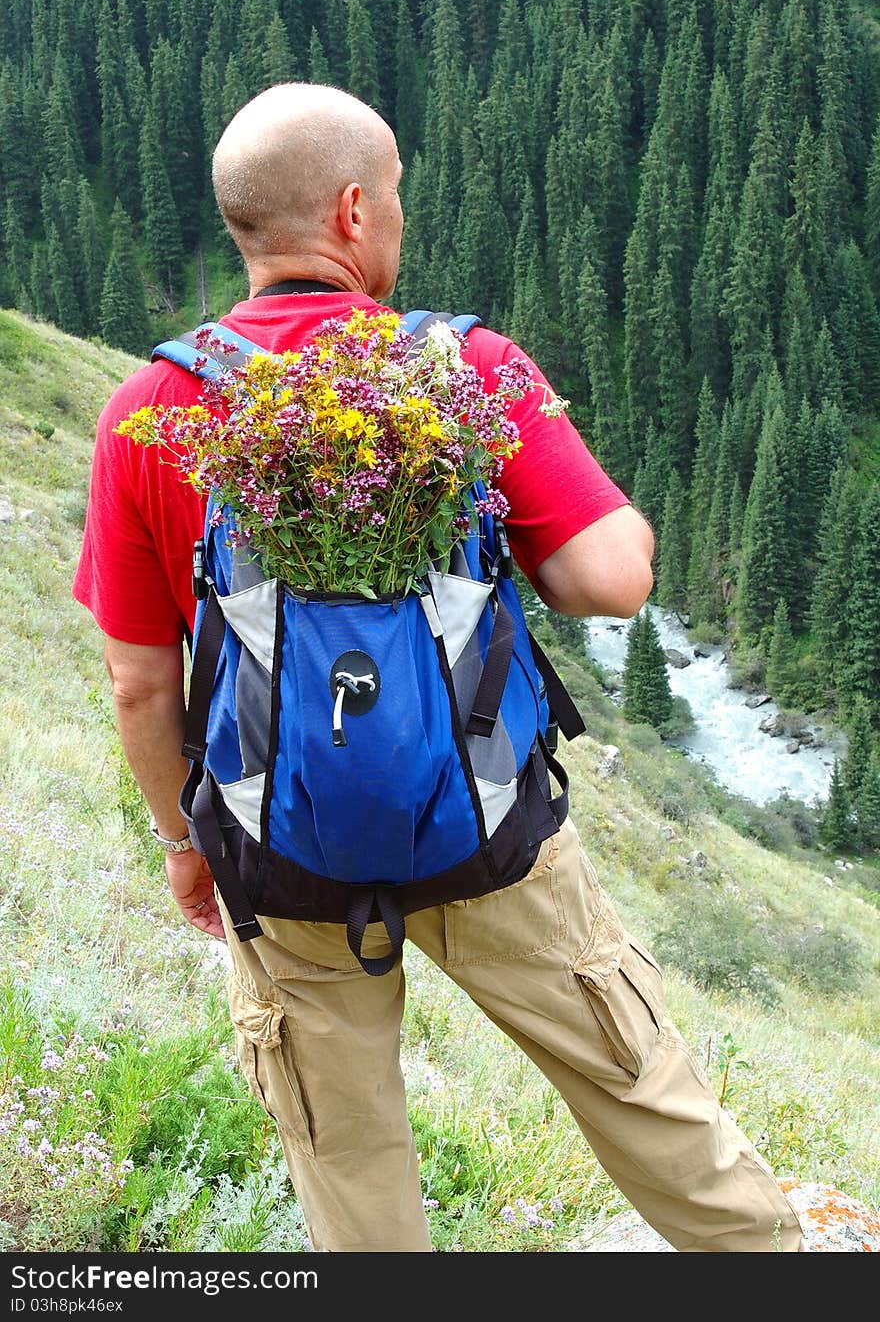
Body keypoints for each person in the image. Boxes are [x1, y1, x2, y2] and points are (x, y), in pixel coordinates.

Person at [73, 82, 803, 1253]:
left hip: (281, 851)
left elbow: (141, 681)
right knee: (635, 1086)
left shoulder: (152, 409)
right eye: (398, 193)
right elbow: (614, 580)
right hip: (489, 819)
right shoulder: (459, 368)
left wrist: (184, 843)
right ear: (355, 212)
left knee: (348, 1154)